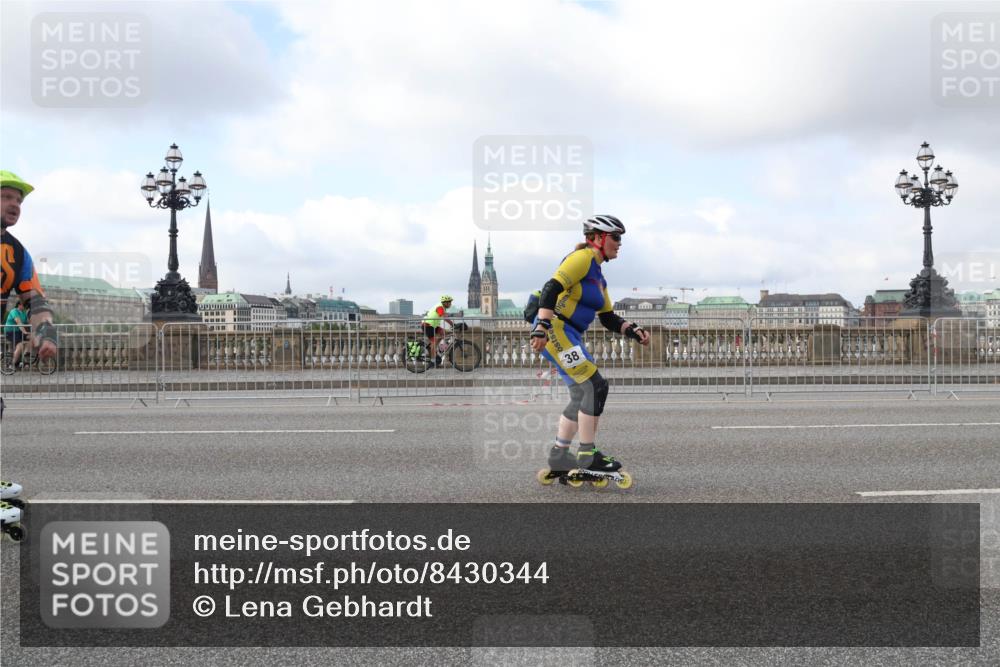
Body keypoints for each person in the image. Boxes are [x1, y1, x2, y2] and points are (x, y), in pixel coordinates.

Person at [529, 214, 650, 484]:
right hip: (557, 330)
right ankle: (587, 454)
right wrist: (542, 326)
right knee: (595, 386)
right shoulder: (582, 258)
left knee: (580, 393)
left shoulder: (598, 277)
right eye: (615, 237)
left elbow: (608, 318)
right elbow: (551, 287)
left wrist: (632, 330)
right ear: (597, 238)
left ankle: (560, 455)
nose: (619, 243)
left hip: (570, 334)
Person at [1, 170, 58, 516]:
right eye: (6, 197)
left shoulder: (17, 252)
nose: (15, 205)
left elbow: (34, 299)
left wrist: (45, 333)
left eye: (18, 200)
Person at [421, 294, 455, 367]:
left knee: (444, 332)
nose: (450, 304)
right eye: (449, 302)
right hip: (427, 325)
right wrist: (453, 324)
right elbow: (445, 317)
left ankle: (434, 349)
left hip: (434, 325)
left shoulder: (442, 307)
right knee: (434, 342)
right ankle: (432, 361)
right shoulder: (440, 307)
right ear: (445, 303)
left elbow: (446, 316)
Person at [3, 294, 30, 369]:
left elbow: (28, 322)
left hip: (18, 331)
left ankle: (23, 359)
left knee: (32, 338)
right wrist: (25, 332)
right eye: (24, 305)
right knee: (20, 346)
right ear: (19, 305)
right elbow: (18, 322)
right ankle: (12, 364)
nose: (26, 307)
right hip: (10, 331)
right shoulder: (14, 311)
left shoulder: (23, 312)